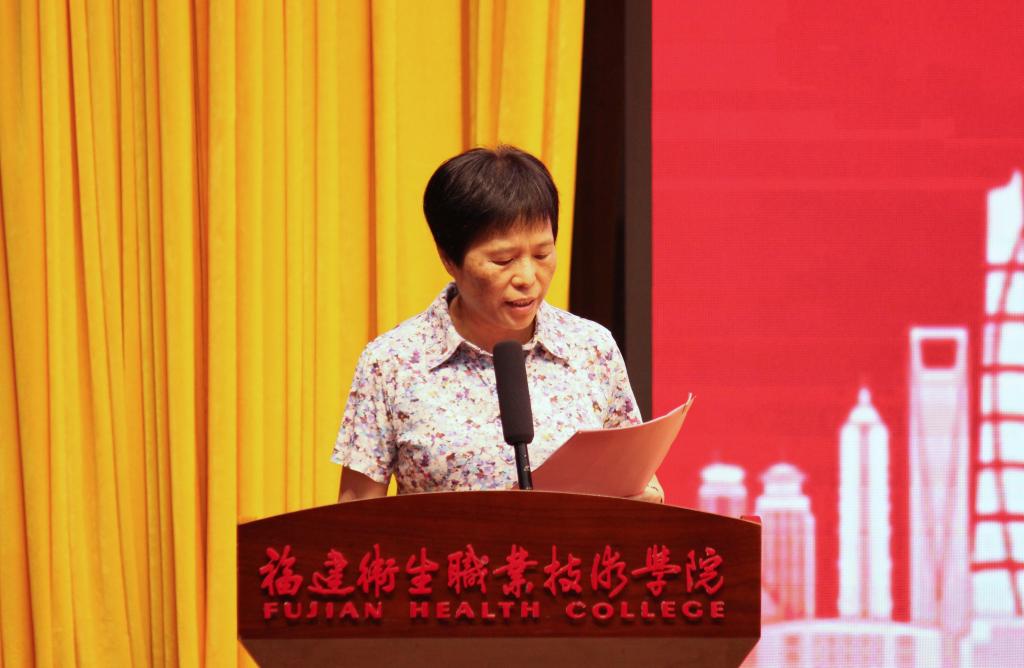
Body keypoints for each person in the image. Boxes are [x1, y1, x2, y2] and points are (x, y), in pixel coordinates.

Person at [332, 145, 663, 503]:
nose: (527, 277)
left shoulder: (591, 348)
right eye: (503, 260)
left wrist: (642, 500)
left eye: (542, 254)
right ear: (449, 258)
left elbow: (646, 487)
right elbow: (357, 515)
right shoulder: (391, 363)